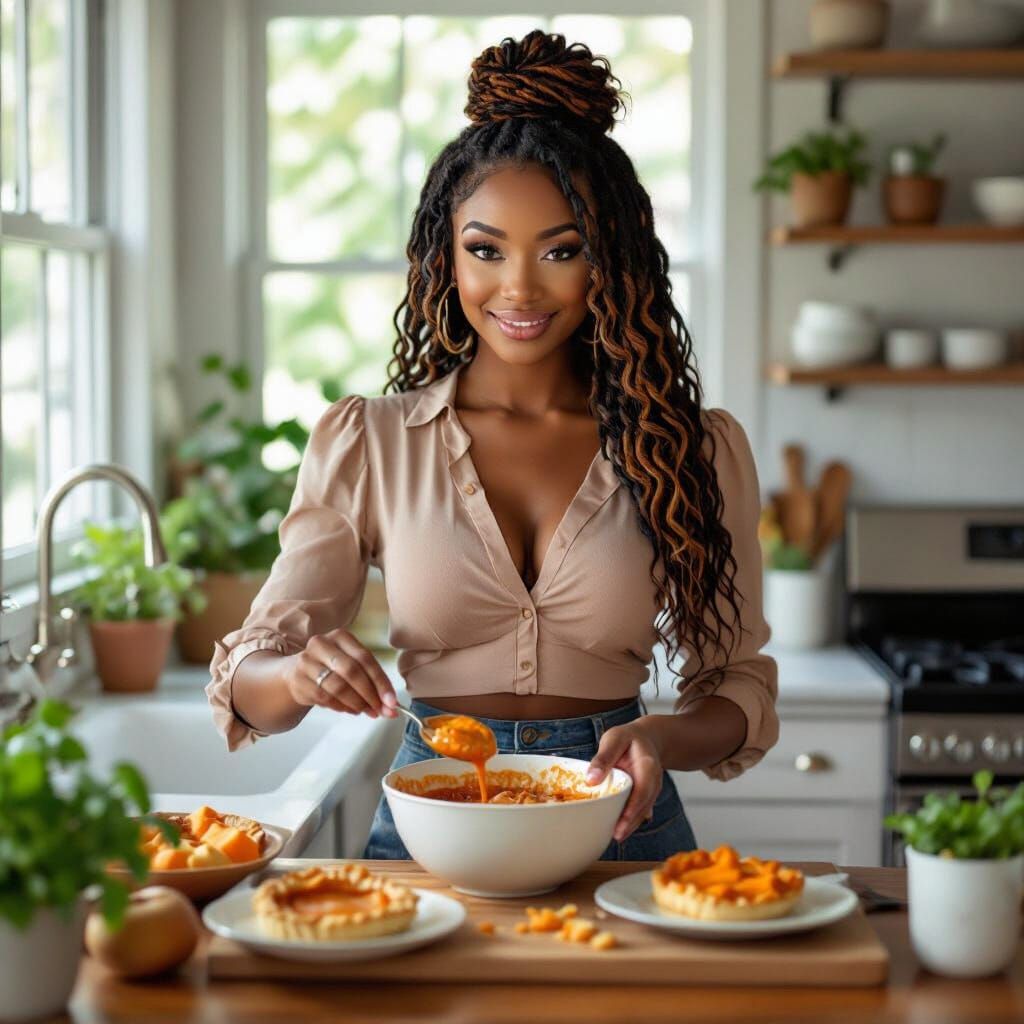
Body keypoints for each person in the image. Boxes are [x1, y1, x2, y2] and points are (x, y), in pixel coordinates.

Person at [207, 30, 778, 860]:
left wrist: (661, 736)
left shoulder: (688, 448)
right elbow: (249, 684)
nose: (518, 288)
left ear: (608, 262)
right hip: (429, 819)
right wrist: (298, 676)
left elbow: (738, 686)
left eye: (561, 250)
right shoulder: (368, 441)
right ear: (447, 256)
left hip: (619, 817)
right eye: (486, 250)